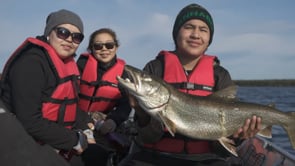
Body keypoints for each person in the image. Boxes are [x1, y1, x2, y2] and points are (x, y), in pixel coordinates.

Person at [119, 3, 262, 166]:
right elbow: (147, 137)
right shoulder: (155, 68)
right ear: (176, 33)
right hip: (155, 155)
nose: (195, 34)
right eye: (189, 27)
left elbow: (221, 149)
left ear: (209, 39)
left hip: (207, 159)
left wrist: (238, 136)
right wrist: (140, 111)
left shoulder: (220, 75)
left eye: (203, 29)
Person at [0, 9, 96, 166]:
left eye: (77, 37)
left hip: (53, 140)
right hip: (24, 145)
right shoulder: (31, 63)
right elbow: (29, 120)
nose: (70, 40)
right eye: (63, 32)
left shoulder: (66, 64)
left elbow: (65, 104)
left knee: (97, 155)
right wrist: (74, 140)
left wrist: (84, 123)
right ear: (49, 33)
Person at [77, 28, 132, 165]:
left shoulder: (123, 74)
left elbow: (126, 104)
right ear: (91, 49)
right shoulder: (81, 65)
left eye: (109, 45)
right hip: (77, 118)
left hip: (103, 123)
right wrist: (83, 120)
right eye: (98, 46)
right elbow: (69, 94)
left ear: (116, 47)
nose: (104, 49)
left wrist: (113, 121)